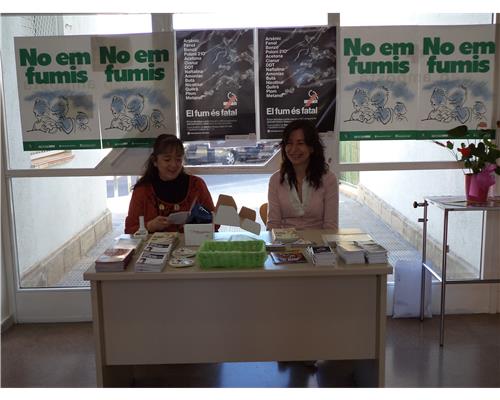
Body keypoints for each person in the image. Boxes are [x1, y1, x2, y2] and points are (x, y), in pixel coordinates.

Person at [125, 134, 215, 234]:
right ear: (155, 161)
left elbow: (215, 223)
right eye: (167, 160)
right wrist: (150, 226)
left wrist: (199, 220)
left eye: (178, 159)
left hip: (192, 243)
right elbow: (129, 229)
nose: (173, 165)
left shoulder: (196, 185)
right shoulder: (143, 190)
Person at [267, 119, 339, 230]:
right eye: (289, 143)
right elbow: (273, 225)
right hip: (285, 240)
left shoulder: (328, 179)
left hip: (318, 240)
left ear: (312, 147)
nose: (294, 149)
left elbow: (331, 226)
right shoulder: (275, 180)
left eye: (300, 143)